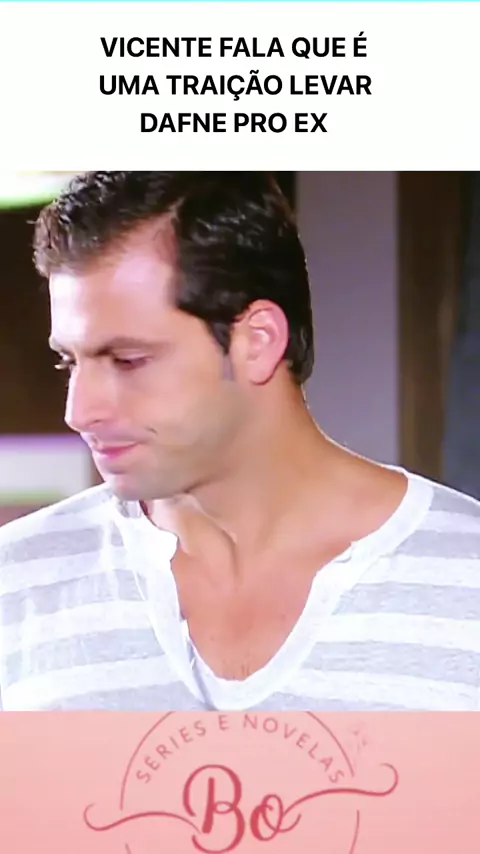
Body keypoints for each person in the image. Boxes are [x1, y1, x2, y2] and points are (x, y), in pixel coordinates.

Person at [1, 171, 479, 712]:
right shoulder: (15, 585)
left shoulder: (468, 578)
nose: (78, 411)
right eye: (69, 362)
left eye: (129, 360)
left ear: (257, 342)